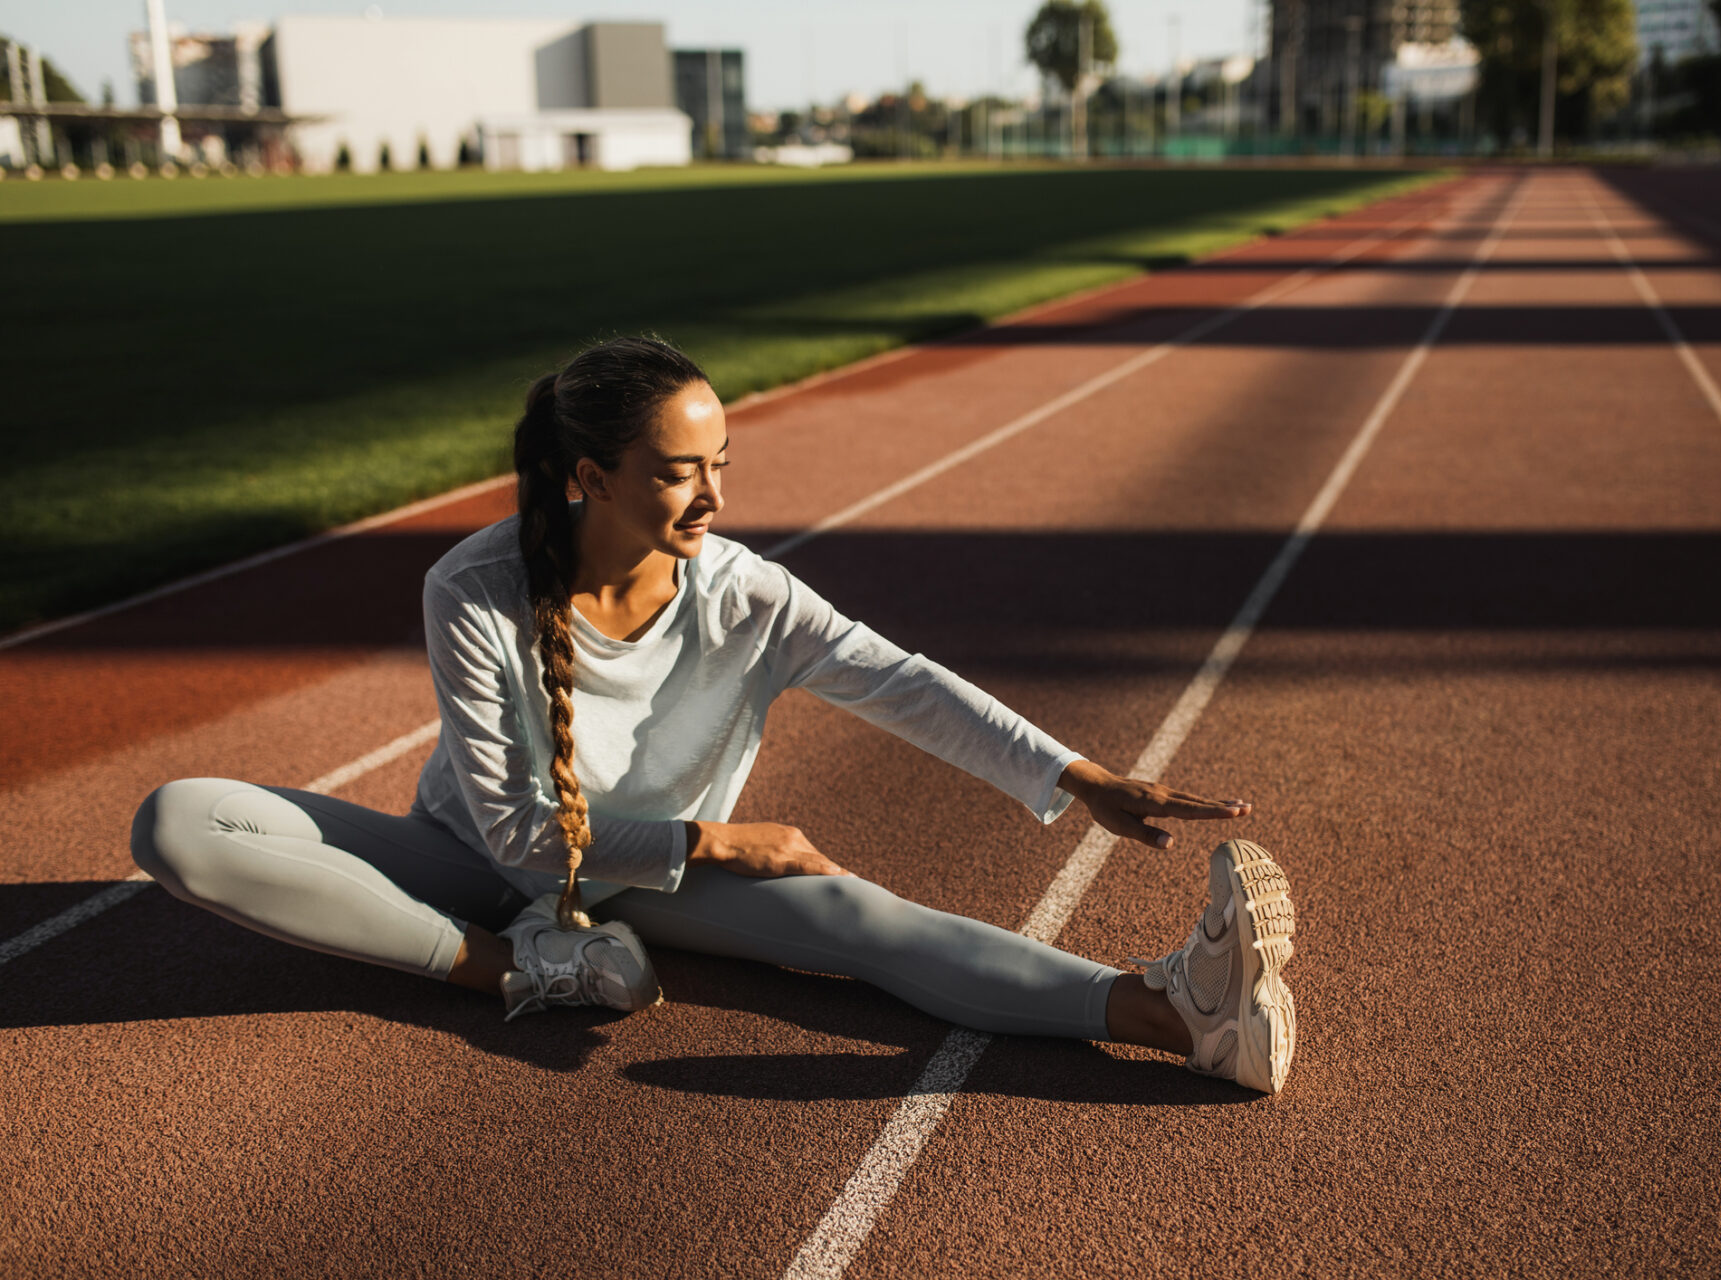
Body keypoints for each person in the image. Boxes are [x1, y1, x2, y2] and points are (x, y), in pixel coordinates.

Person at [129, 336, 1299, 1094]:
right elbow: (521, 838)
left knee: (859, 921)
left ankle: (1177, 1012)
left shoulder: (746, 591)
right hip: (469, 859)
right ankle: (526, 972)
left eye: (722, 459)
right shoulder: (473, 588)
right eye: (679, 468)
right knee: (179, 822)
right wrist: (714, 839)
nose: (717, 493)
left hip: (645, 882)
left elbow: (901, 678)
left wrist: (1076, 773)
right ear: (588, 474)